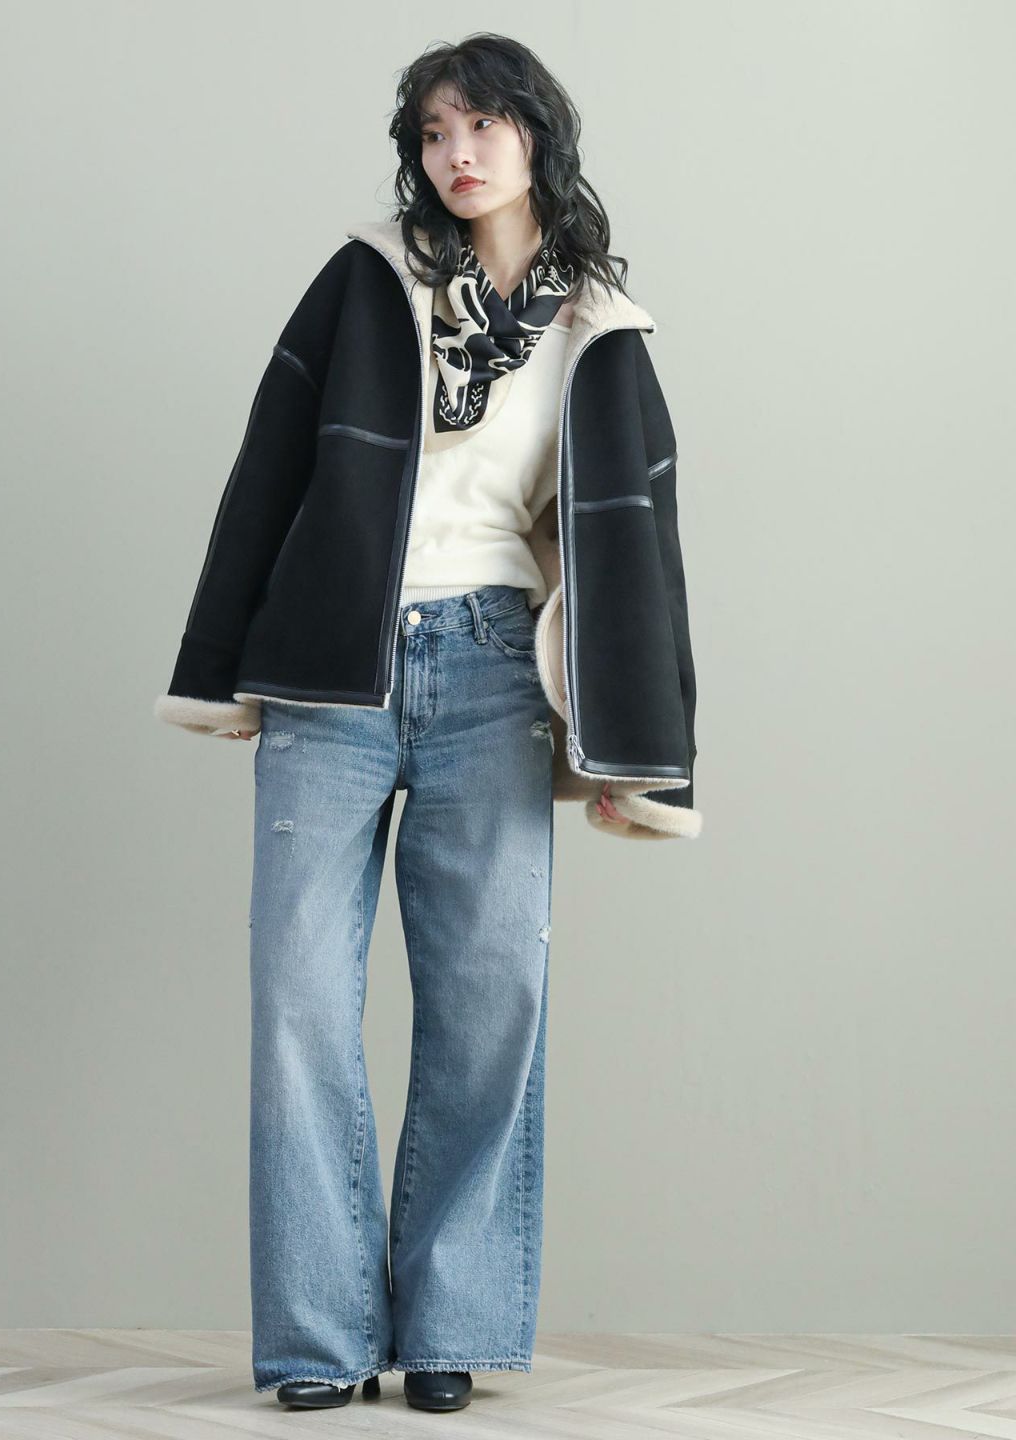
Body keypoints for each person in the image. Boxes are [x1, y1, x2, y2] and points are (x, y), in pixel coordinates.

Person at [154, 32, 702, 1413]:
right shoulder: (365, 283)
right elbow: (268, 471)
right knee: (297, 1003)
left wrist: (641, 750)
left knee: (486, 1006)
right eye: (434, 133)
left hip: (494, 676)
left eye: (482, 127)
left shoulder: (597, 328)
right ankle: (320, 1343)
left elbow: (641, 543)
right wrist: (228, 671)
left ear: (536, 137)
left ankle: (450, 1324)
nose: (457, 155)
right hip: (333, 678)